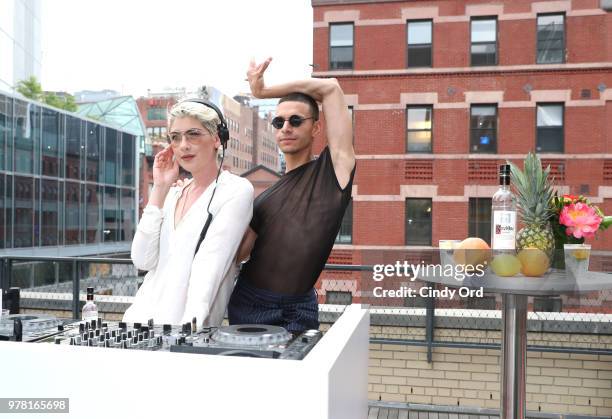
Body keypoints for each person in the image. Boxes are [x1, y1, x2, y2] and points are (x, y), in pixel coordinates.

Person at [228, 57, 355, 334]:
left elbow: (331, 88)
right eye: (279, 121)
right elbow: (236, 255)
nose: (286, 127)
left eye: (296, 120)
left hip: (300, 308)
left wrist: (262, 92)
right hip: (250, 303)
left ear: (316, 128)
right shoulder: (263, 199)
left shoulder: (334, 172)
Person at [123, 99, 253, 330]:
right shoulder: (172, 194)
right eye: (175, 137)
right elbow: (142, 259)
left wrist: (188, 334)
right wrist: (160, 188)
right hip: (137, 324)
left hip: (184, 332)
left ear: (217, 138)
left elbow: (210, 268)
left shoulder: (235, 191)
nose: (183, 145)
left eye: (193, 134)